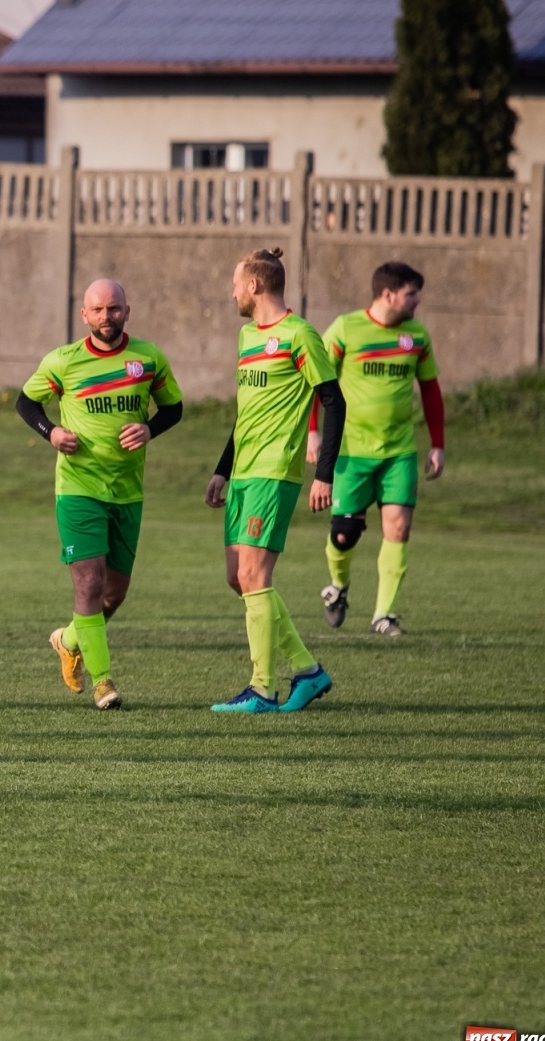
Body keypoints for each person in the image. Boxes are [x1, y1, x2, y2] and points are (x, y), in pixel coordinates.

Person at [17, 279, 183, 709]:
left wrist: (149, 428)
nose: (106, 317)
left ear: (128, 311)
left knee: (114, 594)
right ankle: (104, 682)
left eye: (114, 309)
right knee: (89, 584)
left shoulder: (147, 359)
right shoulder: (63, 361)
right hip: (78, 489)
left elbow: (174, 408)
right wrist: (50, 431)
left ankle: (69, 639)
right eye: (98, 310)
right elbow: (26, 402)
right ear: (84, 315)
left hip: (127, 492)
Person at [205, 248, 346, 713]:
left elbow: (333, 401)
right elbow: (246, 412)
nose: (231, 292)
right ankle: (307, 671)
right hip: (243, 472)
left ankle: (262, 689)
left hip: (274, 472)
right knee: (237, 578)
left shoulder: (299, 335)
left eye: (234, 283)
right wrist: (222, 469)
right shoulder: (247, 336)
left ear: (254, 285)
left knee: (253, 576)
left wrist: (323, 475)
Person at [310, 262, 446, 636]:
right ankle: (337, 588)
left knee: (398, 527)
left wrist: (437, 444)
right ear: (388, 294)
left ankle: (384, 615)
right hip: (351, 453)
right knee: (343, 536)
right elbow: (316, 381)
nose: (417, 301)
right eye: (411, 293)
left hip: (399, 452)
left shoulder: (416, 336)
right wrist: (312, 433)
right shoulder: (346, 329)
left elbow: (431, 390)